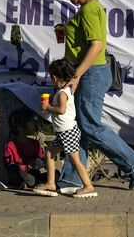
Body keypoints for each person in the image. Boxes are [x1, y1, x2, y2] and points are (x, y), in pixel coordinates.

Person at [57, 0, 134, 193]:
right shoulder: (85, 10)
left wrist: (76, 75)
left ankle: (133, 162)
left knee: (89, 126)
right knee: (77, 127)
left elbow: (96, 46)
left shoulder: (90, 9)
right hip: (87, 73)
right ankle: (72, 180)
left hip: (91, 74)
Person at [33, 59, 97, 198]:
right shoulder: (62, 92)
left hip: (68, 132)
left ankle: (88, 185)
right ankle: (51, 183)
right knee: (49, 154)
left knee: (75, 159)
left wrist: (47, 107)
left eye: (51, 78)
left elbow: (61, 110)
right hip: (64, 133)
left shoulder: (62, 93)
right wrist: (51, 103)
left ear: (55, 78)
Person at [2, 108, 46, 189]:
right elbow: (9, 165)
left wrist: (39, 162)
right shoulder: (11, 145)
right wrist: (25, 166)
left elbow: (39, 159)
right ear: (20, 127)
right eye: (31, 122)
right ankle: (32, 182)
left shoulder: (35, 143)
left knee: (52, 173)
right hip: (19, 174)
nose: (34, 125)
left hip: (32, 173)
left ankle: (31, 182)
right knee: (14, 170)